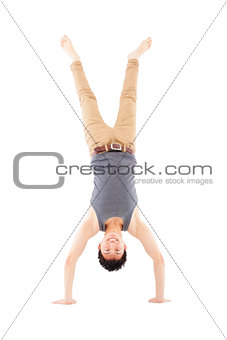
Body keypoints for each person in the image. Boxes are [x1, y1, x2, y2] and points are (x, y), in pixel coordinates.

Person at [52, 35, 171, 305]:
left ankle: (74, 59)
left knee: (86, 99)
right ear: (125, 246)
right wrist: (160, 297)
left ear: (101, 245)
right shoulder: (135, 223)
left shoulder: (92, 223)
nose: (113, 245)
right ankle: (134, 58)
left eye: (108, 249)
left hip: (97, 144)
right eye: (118, 249)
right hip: (127, 144)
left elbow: (71, 259)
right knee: (129, 98)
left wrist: (67, 298)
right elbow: (158, 258)